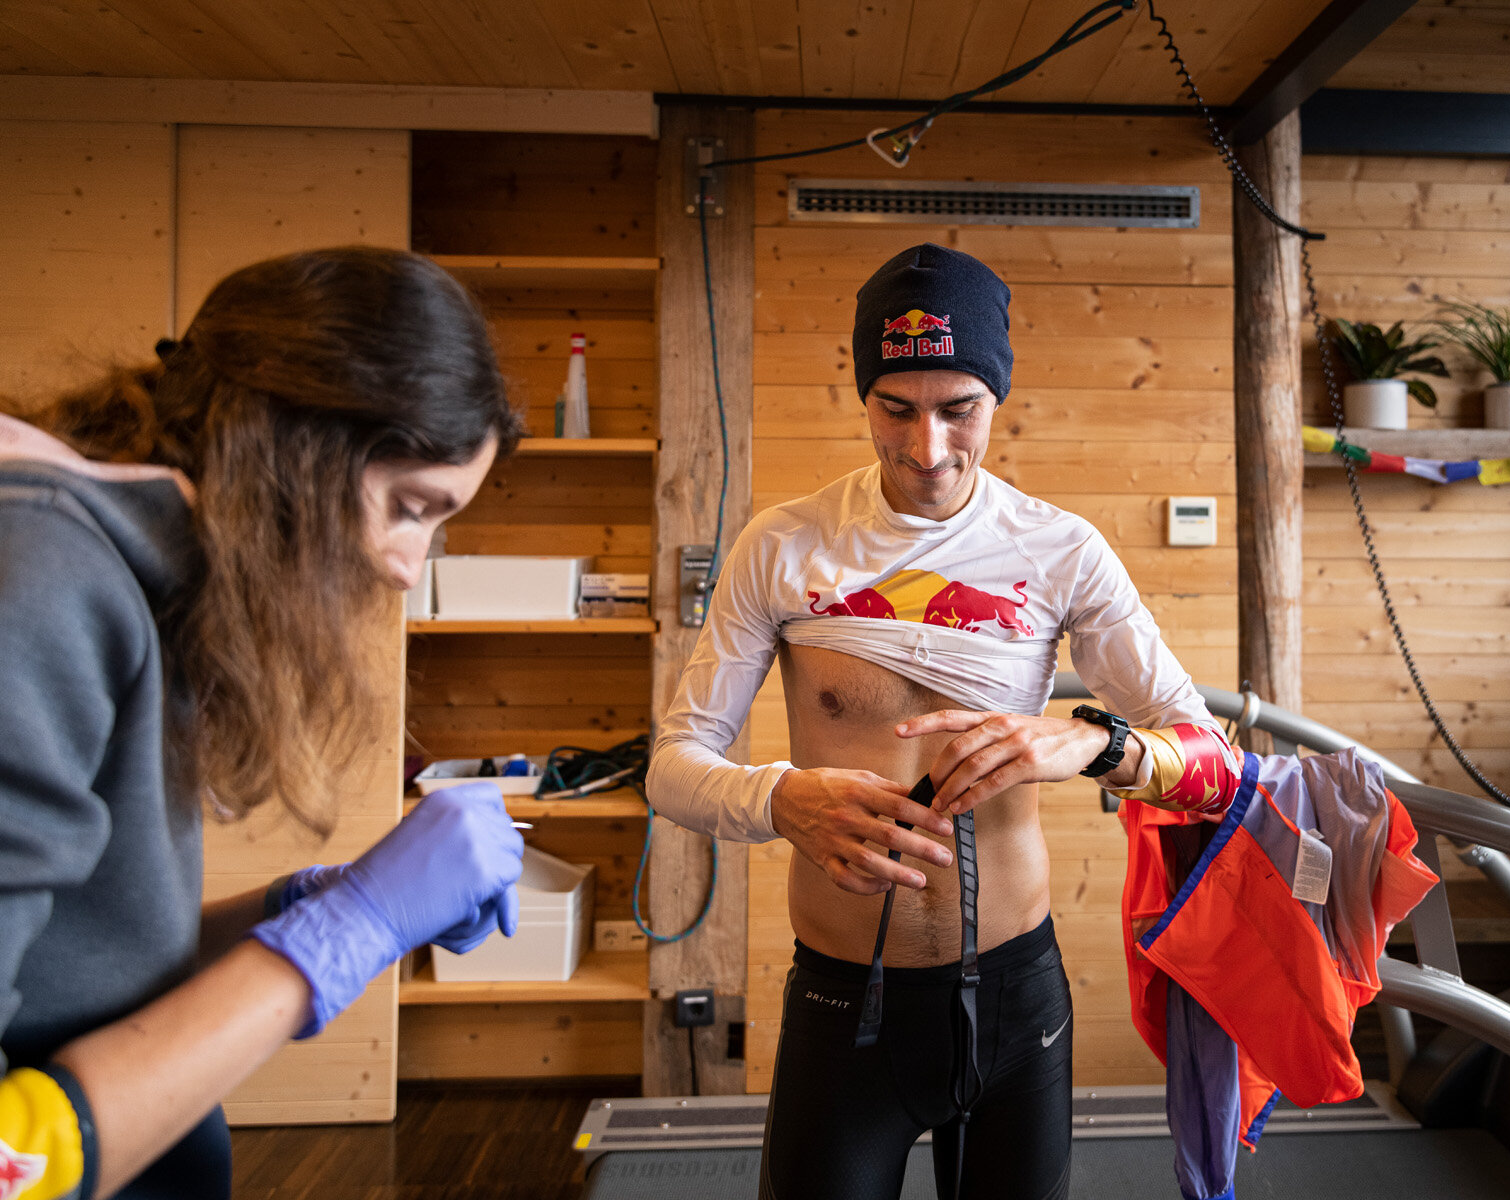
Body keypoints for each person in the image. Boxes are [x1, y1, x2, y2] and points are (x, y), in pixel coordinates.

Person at [647, 243, 1244, 1200]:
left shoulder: (1060, 551)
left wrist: (1092, 741)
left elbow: (1217, 762)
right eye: (897, 408)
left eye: (958, 409)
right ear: (865, 397)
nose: (927, 448)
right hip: (845, 1003)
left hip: (1018, 1001)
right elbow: (671, 767)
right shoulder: (785, 545)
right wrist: (782, 799)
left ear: (996, 399)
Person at [0, 246, 528, 1200]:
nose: (409, 567)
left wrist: (307, 908)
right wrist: (348, 935)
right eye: (411, 508)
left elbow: (72, 963)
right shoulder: (39, 584)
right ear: (296, 446)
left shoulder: (128, 577)